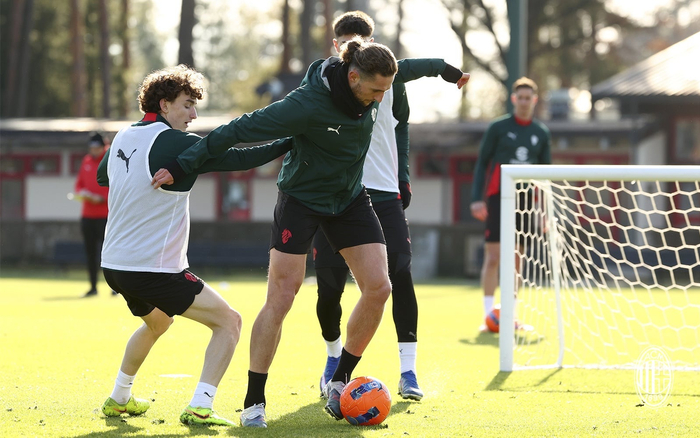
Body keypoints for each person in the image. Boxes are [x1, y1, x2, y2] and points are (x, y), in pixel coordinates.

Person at [152, 40, 469, 428]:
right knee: (282, 296)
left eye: (386, 90)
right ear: (354, 76)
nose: (381, 98)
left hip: (349, 199)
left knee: (379, 287)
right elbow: (239, 129)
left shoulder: (375, 87)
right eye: (376, 90)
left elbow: (411, 67)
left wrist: (447, 70)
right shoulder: (306, 104)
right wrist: (184, 164)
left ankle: (339, 380)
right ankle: (254, 401)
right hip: (301, 200)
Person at [96, 65, 292, 427]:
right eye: (187, 105)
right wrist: (292, 140)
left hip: (113, 265)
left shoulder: (123, 134)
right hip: (152, 269)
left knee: (158, 323)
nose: (194, 114)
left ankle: (119, 398)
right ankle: (201, 405)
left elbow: (101, 175)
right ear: (164, 104)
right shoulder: (176, 142)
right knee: (230, 322)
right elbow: (243, 158)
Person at [313, 10, 466, 403]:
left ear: (372, 43)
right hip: (334, 196)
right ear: (336, 46)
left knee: (400, 273)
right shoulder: (324, 78)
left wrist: (403, 175)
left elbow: (402, 125)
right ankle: (333, 358)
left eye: (361, 43)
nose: (353, 49)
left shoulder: (389, 79)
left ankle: (408, 370)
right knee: (329, 287)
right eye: (346, 44)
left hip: (382, 193)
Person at [470, 77, 551, 332]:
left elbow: (545, 176)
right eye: (520, 97)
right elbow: (482, 163)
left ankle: (511, 317)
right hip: (498, 198)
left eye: (529, 98)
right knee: (494, 256)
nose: (524, 102)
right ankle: (488, 317)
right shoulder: (498, 128)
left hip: (525, 202)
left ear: (534, 100)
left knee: (517, 259)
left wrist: (544, 212)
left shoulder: (541, 133)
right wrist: (476, 198)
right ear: (514, 99)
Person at [74, 132, 112, 297]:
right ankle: (93, 287)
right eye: (91, 147)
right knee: (90, 253)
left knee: (109, 253)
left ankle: (114, 287)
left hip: (105, 215)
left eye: (96, 147)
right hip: (88, 215)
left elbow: (117, 186)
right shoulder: (87, 160)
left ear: (103, 146)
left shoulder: (111, 160)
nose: (93, 150)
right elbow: (79, 184)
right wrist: (82, 193)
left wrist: (102, 198)